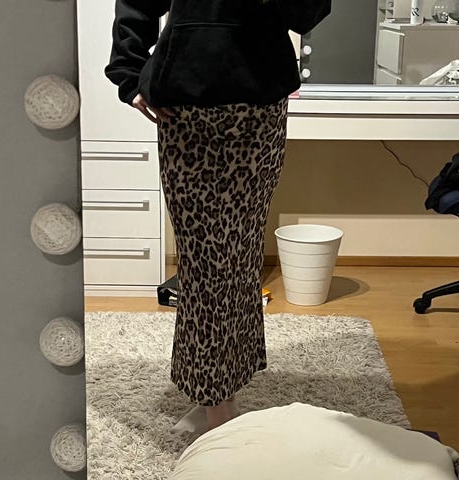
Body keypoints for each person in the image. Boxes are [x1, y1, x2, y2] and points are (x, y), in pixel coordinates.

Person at [104, 0, 331, 433]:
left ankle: (221, 391)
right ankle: (216, 406)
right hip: (186, 104)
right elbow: (138, 1)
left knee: (241, 256)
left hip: (259, 106)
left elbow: (306, 12)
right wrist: (128, 74)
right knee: (205, 262)